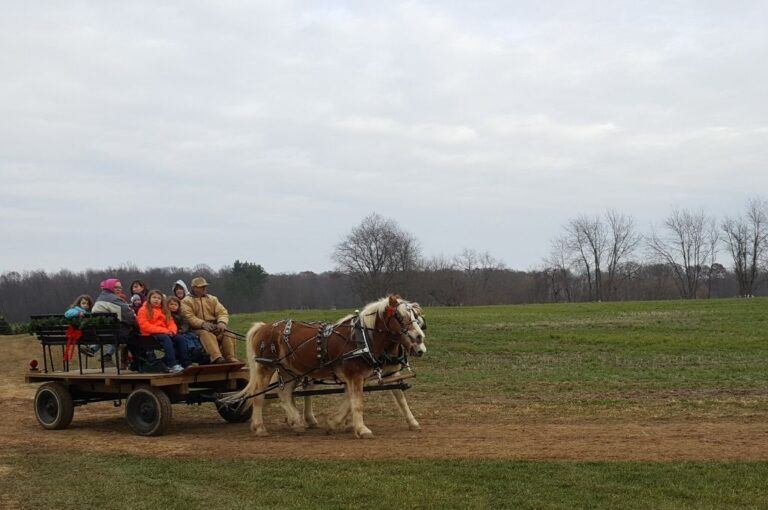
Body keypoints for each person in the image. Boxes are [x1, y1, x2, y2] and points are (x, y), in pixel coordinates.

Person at [181, 276, 239, 364]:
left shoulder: (212, 299)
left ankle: (230, 358)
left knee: (228, 334)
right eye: (201, 286)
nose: (204, 288)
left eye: (205, 286)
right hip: (196, 330)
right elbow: (189, 317)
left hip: (214, 327)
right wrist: (202, 324)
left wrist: (221, 322)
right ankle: (216, 358)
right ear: (194, 288)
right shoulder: (186, 301)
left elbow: (222, 312)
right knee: (206, 334)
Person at [91, 279, 136, 365]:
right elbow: (129, 315)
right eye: (116, 287)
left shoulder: (99, 299)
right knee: (134, 334)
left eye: (120, 287)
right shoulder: (114, 299)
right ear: (109, 287)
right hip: (115, 334)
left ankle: (102, 353)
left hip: (99, 334)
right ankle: (138, 362)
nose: (119, 289)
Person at [136, 290, 183, 373]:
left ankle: (185, 362)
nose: (156, 300)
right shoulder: (143, 310)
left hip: (165, 332)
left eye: (159, 298)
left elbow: (171, 323)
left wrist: (172, 331)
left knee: (180, 338)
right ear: (149, 298)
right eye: (154, 297)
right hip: (149, 335)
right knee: (165, 338)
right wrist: (165, 331)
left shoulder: (164, 310)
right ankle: (172, 364)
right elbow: (145, 326)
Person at [168, 296, 205, 367]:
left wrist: (183, 329)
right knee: (185, 338)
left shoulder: (181, 314)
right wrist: (179, 331)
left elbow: (185, 323)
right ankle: (192, 349)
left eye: (175, 305)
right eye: (171, 304)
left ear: (178, 306)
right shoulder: (168, 315)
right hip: (176, 332)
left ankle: (198, 348)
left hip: (183, 330)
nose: (173, 306)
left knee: (193, 336)